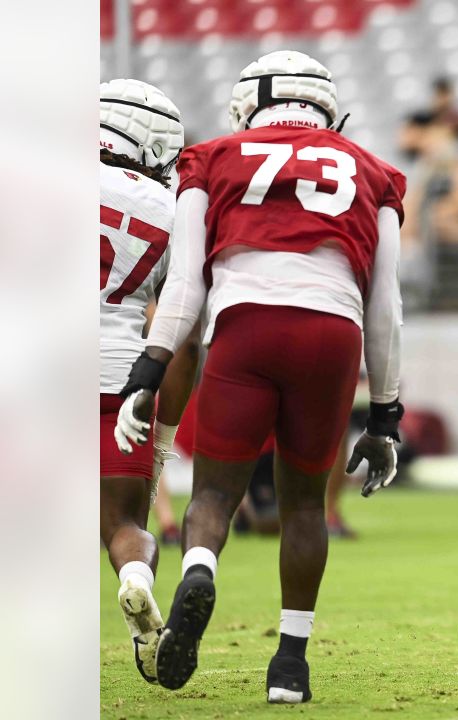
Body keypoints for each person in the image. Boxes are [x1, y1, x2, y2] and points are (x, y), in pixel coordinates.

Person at [113, 50, 407, 704]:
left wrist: (152, 364)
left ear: (252, 102)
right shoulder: (376, 172)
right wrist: (386, 412)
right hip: (333, 331)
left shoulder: (211, 157)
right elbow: (386, 306)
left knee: (215, 495)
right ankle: (290, 667)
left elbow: (186, 287)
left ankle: (199, 569)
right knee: (304, 504)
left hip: (243, 324)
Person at [99, 78, 199, 684]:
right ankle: (136, 578)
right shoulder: (171, 209)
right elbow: (185, 333)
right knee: (124, 525)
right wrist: (162, 436)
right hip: (121, 372)